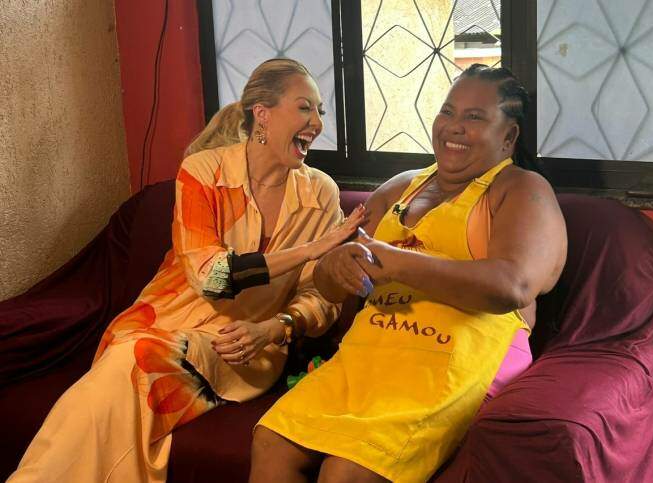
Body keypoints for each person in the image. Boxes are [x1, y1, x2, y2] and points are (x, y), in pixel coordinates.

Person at [9, 58, 365, 483]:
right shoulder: (203, 172)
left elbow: (321, 298)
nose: (317, 123)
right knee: (122, 375)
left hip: (241, 348)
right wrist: (308, 250)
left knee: (131, 366)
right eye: (305, 107)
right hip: (161, 322)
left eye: (320, 111)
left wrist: (274, 328)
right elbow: (212, 277)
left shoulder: (321, 193)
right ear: (263, 114)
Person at [251, 65, 568, 482]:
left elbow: (514, 285)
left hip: (455, 358)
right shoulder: (401, 187)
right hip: (371, 355)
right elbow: (328, 286)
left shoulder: (521, 189)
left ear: (508, 137)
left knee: (345, 471)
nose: (454, 126)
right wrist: (334, 265)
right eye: (447, 111)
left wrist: (395, 261)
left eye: (474, 117)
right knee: (271, 440)